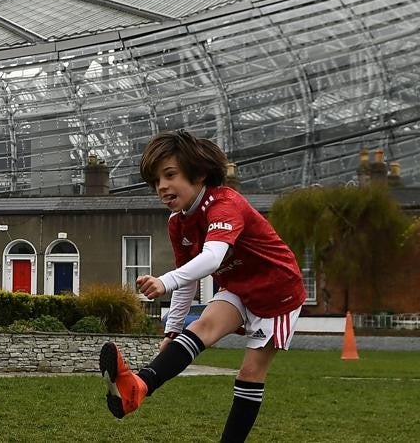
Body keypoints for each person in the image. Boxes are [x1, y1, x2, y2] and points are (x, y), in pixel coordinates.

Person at [100, 130, 306, 443]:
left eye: (170, 175)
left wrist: (164, 281)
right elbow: (189, 278)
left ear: (198, 174)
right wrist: (171, 329)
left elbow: (211, 259)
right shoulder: (177, 222)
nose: (162, 187)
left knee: (250, 373)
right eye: (156, 181)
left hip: (278, 292)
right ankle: (138, 388)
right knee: (202, 326)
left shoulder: (225, 204)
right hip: (238, 285)